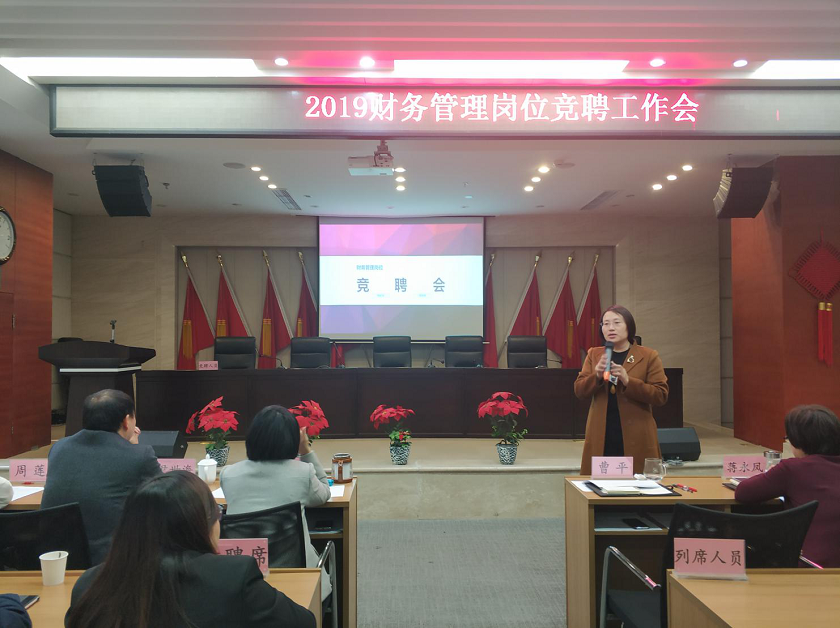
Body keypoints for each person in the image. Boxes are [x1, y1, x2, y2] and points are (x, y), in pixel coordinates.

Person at [66, 471, 315, 628]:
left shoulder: (89, 584)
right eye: (217, 514)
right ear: (202, 525)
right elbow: (304, 623)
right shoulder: (232, 577)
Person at [221, 405, 332, 600]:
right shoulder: (302, 473)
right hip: (298, 584)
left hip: (244, 582)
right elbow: (324, 494)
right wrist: (306, 450)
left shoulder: (228, 474)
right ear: (293, 440)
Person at [41, 389, 160, 563]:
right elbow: (166, 497)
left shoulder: (59, 448)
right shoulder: (140, 455)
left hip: (54, 558)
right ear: (126, 421)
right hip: (108, 561)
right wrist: (133, 448)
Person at [735, 405, 840, 567]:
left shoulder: (793, 469)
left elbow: (743, 492)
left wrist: (773, 473)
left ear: (799, 441)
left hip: (813, 567)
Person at [574, 305, 669, 475]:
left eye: (617, 323)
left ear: (629, 326)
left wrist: (627, 380)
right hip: (603, 432)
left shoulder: (648, 356)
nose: (610, 328)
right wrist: (596, 375)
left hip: (637, 433)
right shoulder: (594, 354)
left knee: (637, 486)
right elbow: (580, 391)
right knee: (602, 485)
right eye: (606, 323)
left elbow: (660, 395)